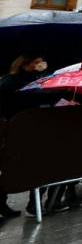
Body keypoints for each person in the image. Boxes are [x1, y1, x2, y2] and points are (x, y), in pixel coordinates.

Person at [0, 54, 48, 218]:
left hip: (33, 128)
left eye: (41, 61)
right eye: (36, 62)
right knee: (9, 168)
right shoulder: (9, 82)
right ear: (25, 65)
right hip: (14, 129)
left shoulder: (38, 80)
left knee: (41, 166)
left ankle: (34, 203)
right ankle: (2, 203)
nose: (40, 64)